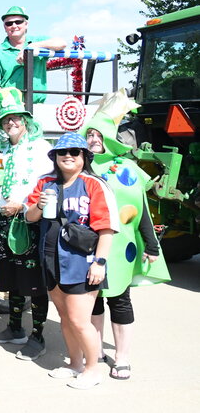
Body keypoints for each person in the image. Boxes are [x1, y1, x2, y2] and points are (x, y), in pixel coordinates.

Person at [82, 102, 170, 381]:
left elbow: (141, 208)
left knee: (120, 300)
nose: (94, 140)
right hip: (85, 247)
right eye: (90, 135)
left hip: (120, 249)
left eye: (99, 135)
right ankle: (94, 350)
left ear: (109, 138)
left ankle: (122, 357)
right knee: (92, 302)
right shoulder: (77, 164)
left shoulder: (126, 168)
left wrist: (152, 245)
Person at [25, 132, 117, 390]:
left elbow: (107, 228)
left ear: (84, 157)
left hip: (83, 261)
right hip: (51, 258)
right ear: (54, 157)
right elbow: (30, 218)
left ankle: (92, 368)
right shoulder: (45, 182)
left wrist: (100, 262)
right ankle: (75, 363)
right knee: (65, 316)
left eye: (75, 152)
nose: (68, 156)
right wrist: (39, 206)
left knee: (79, 320)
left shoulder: (95, 184)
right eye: (62, 152)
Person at [0, 87, 53, 361]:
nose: (11, 123)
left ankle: (38, 335)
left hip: (28, 219)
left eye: (16, 119)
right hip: (4, 217)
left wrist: (22, 205)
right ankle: (14, 328)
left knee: (33, 280)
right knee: (8, 274)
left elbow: (45, 184)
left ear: (26, 122)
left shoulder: (41, 148)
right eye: (6, 120)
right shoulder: (2, 149)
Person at [0, 6, 66, 103]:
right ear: (4, 27)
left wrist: (32, 47)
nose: (14, 25)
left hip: (38, 107)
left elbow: (62, 43)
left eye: (18, 22)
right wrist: (10, 105)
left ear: (26, 24)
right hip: (10, 109)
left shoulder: (38, 42)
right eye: (9, 23)